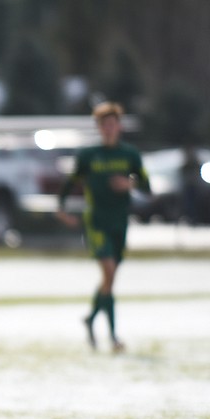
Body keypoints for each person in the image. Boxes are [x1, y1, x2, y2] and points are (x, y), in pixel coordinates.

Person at [57, 101, 150, 352]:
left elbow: (147, 187)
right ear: (98, 128)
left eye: (112, 124)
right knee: (108, 272)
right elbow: (69, 184)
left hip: (120, 222)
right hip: (96, 222)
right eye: (103, 125)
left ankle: (90, 319)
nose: (108, 129)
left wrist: (129, 184)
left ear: (119, 126)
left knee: (109, 281)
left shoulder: (130, 155)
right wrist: (62, 209)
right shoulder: (89, 155)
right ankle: (113, 337)